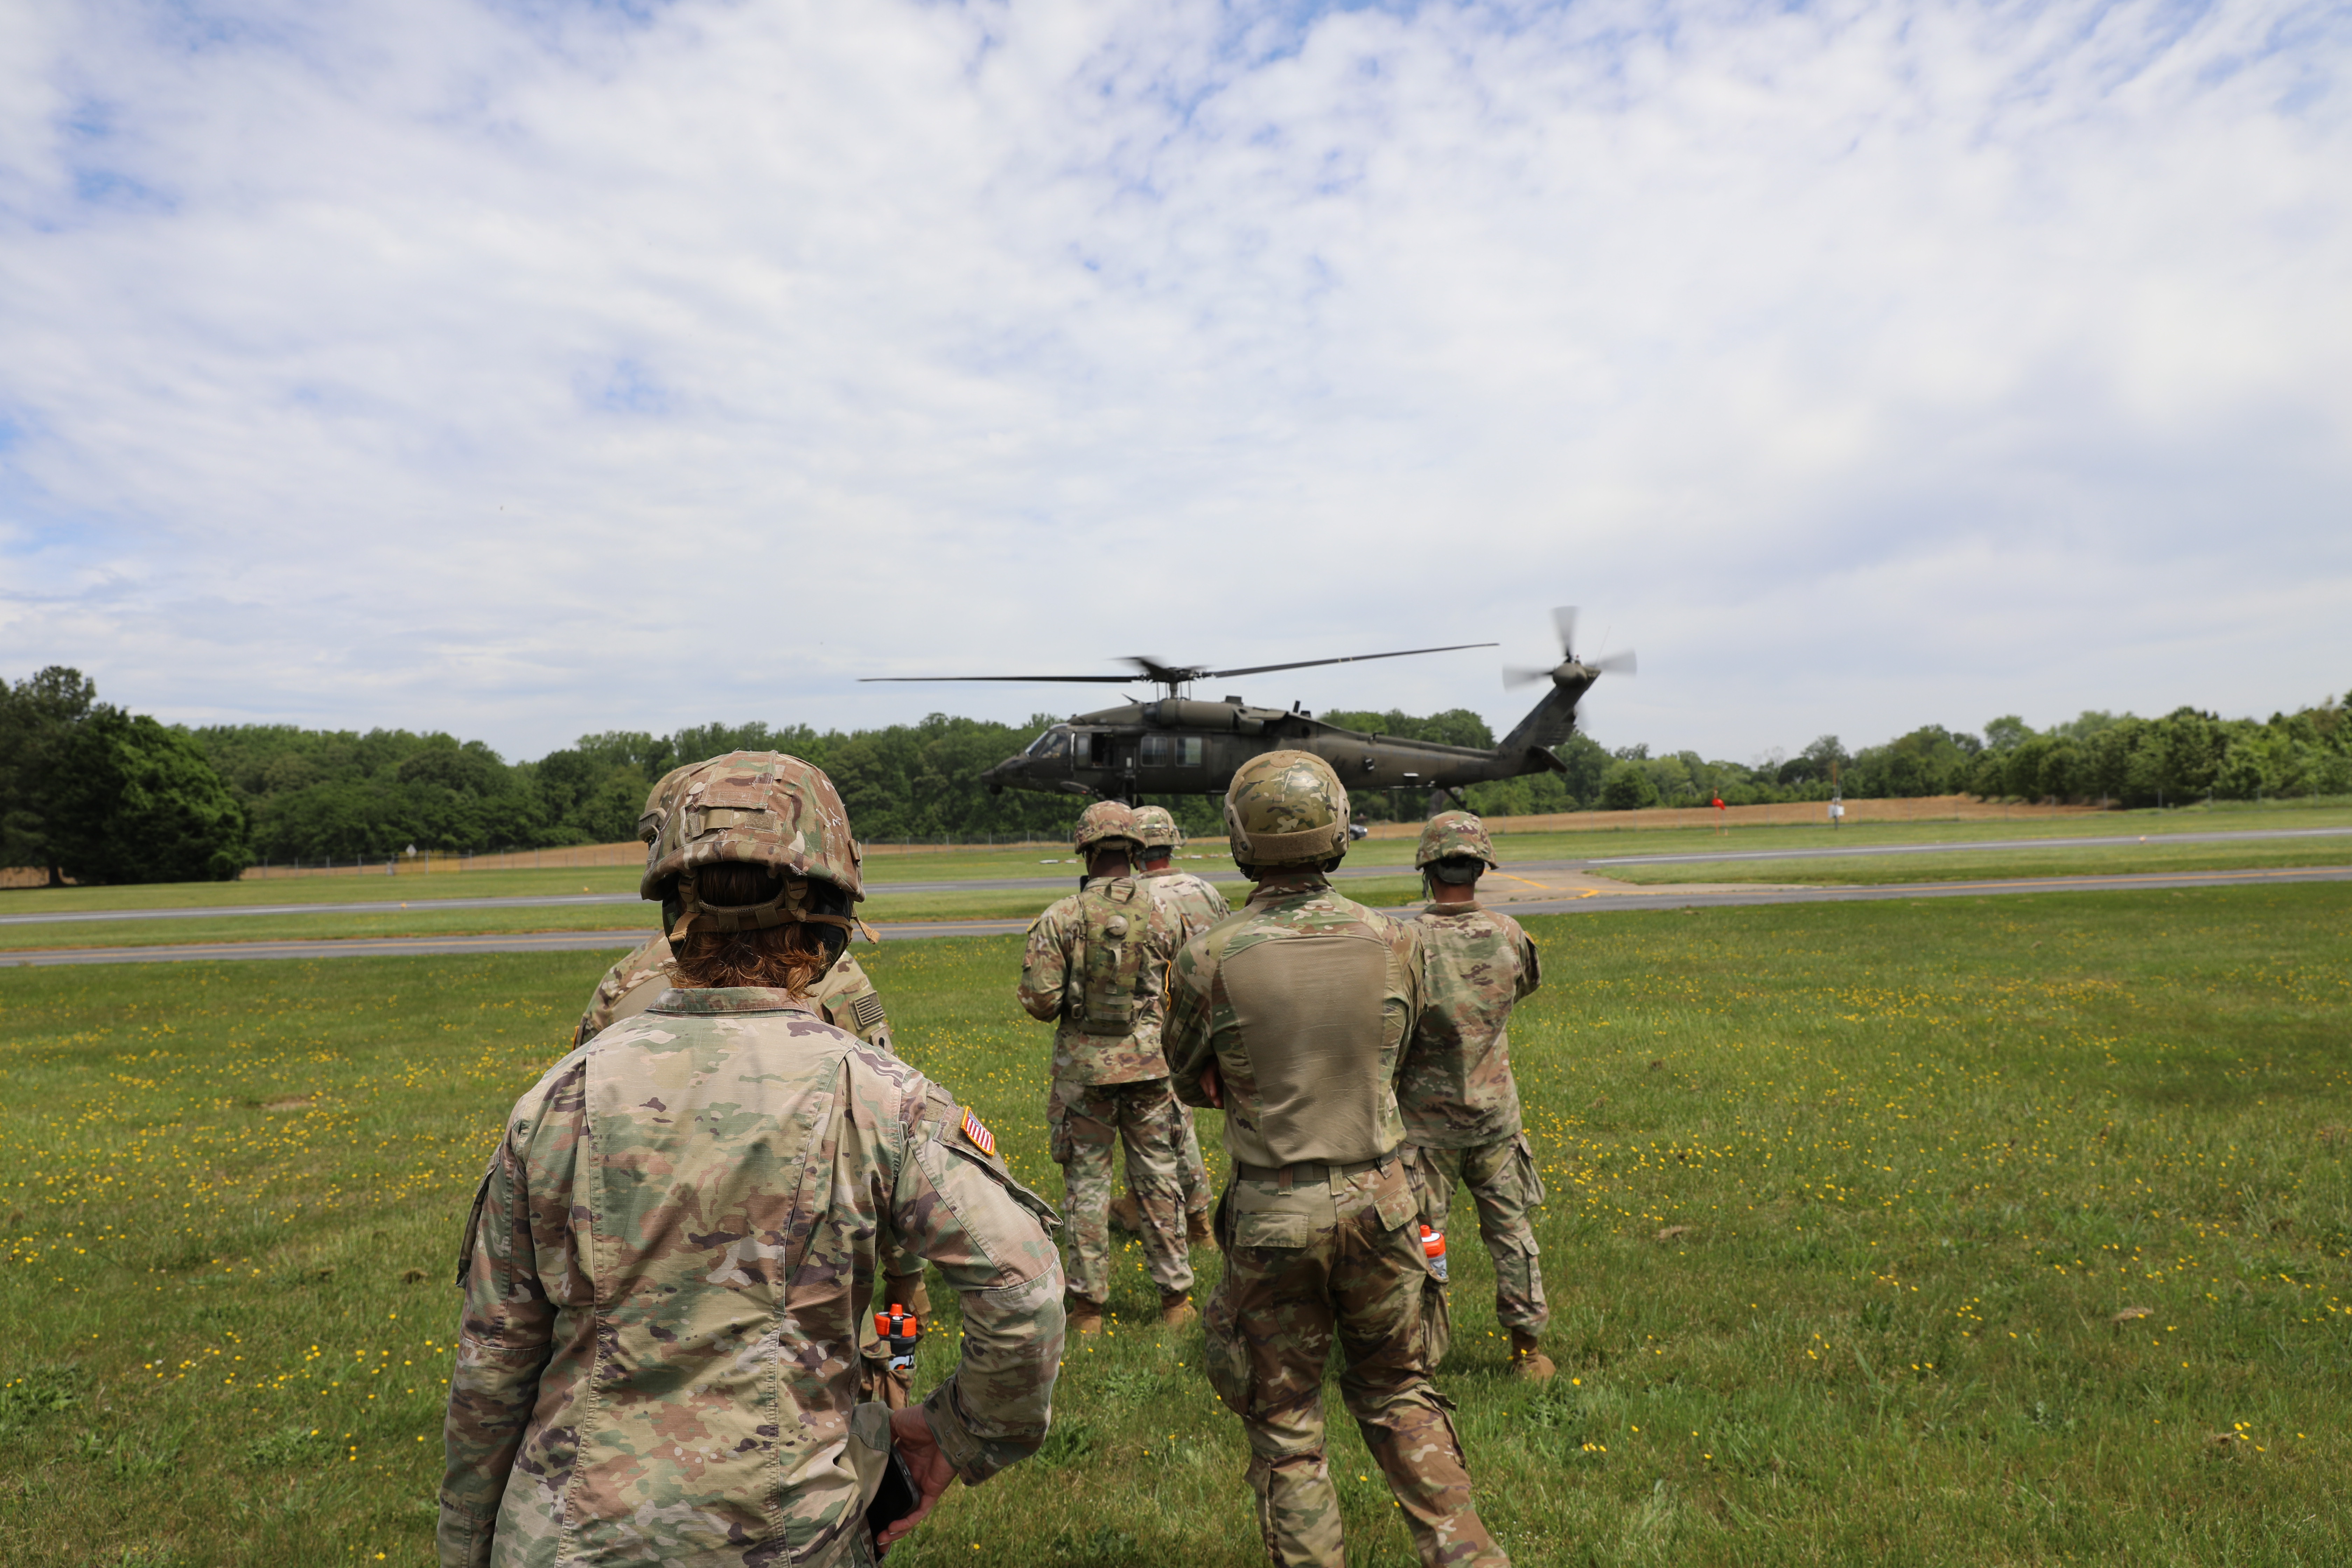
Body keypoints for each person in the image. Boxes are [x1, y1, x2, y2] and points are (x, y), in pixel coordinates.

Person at [439, 751, 1064, 1568]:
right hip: (785, 1531)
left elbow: (493, 1365)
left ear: (673, 906)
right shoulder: (881, 1096)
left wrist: (465, 1543)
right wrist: (955, 1432)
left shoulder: (556, 1100)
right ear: (832, 910)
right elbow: (1022, 1291)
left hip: (566, 1536)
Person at [1164, 752, 1509, 1568]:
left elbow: (1186, 1078)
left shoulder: (1209, 957)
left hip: (1273, 1213)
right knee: (1401, 1394)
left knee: (1287, 1429)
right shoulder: (1398, 942)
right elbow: (1409, 1052)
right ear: (1338, 831)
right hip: (1385, 1199)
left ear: (1241, 839)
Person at [569, 766, 918, 1407]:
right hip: (812, 1323)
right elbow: (890, 1170)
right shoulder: (837, 982)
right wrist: (903, 1312)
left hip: (644, 1328)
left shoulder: (623, 985)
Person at [1015, 799, 1197, 1333]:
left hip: (1086, 1075)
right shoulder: (1167, 912)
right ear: (1137, 851)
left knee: (1088, 1188)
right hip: (1151, 1070)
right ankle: (1176, 1303)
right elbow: (1190, 989)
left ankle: (1089, 1309)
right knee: (1159, 1179)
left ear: (1087, 851)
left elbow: (1040, 1000)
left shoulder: (1062, 917)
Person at [1400, 811, 1552, 1382]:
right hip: (1495, 1118)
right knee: (1511, 1233)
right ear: (1481, 868)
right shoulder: (1510, 934)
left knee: (1423, 1239)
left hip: (1423, 1126)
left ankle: (1419, 1357)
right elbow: (1525, 986)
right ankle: (1527, 1352)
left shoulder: (1405, 941)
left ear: (1428, 867)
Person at [1112, 803, 1225, 1246]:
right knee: (1172, 1121)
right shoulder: (1205, 890)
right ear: (1173, 842)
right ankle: (1156, 1207)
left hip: (1153, 1022)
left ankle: (1195, 1219)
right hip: (1208, 1016)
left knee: (1165, 1123)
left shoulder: (1131, 897)